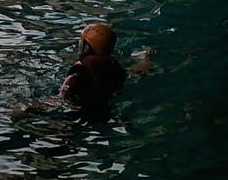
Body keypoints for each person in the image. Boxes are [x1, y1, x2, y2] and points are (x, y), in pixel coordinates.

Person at [19, 22, 152, 118]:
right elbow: (135, 72)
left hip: (80, 115)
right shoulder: (113, 66)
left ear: (87, 47)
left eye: (82, 41)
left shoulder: (78, 73)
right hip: (105, 112)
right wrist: (146, 59)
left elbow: (58, 100)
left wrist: (26, 110)